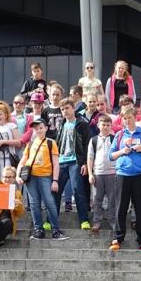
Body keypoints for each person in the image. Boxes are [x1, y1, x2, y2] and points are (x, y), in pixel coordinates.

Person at [109, 107, 141, 251]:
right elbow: (110, 155)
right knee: (120, 208)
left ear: (135, 117)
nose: (127, 120)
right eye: (124, 118)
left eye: (129, 117)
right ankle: (117, 238)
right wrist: (123, 151)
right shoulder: (119, 135)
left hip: (140, 176)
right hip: (122, 175)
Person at [16, 118, 67, 240]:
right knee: (34, 204)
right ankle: (38, 230)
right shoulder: (31, 143)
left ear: (46, 128)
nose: (38, 130)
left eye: (40, 127)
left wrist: (55, 180)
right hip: (30, 177)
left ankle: (56, 230)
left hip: (45, 176)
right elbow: (23, 161)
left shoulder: (51, 143)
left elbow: (56, 163)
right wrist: (18, 175)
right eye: (36, 128)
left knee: (50, 203)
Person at [53, 98, 92, 230]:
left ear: (73, 108)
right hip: (61, 162)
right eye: (62, 109)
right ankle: (51, 220)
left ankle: (84, 220)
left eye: (67, 108)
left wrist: (85, 163)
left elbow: (87, 144)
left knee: (77, 190)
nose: (65, 111)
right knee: (55, 191)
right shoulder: (60, 125)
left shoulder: (82, 123)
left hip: (76, 162)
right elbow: (56, 144)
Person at [88, 114, 117, 233]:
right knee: (96, 198)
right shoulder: (93, 140)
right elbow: (90, 157)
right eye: (103, 125)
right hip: (98, 173)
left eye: (108, 125)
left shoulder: (114, 139)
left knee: (112, 199)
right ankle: (97, 222)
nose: (105, 127)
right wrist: (90, 173)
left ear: (111, 126)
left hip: (112, 173)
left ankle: (113, 221)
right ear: (98, 125)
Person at [0, 101, 22, 181]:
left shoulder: (11, 126)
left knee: (8, 181)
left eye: (0, 114)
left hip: (8, 159)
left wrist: (4, 142)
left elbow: (18, 143)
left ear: (5, 115)